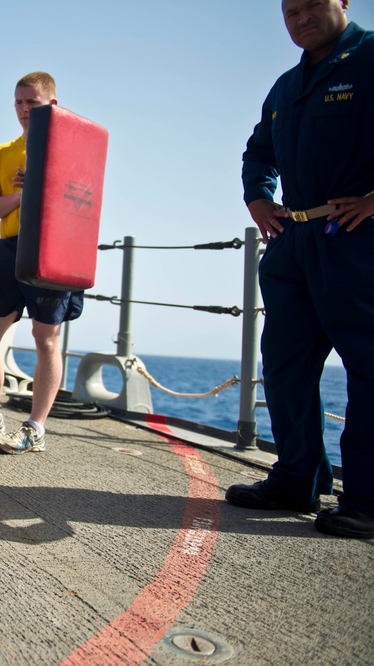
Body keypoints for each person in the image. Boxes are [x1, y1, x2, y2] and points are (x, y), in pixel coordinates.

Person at [225, 0, 374, 539]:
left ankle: (367, 501)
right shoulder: (286, 88)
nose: (301, 17)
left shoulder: (369, 58)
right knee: (284, 364)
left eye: (313, 5)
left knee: (368, 366)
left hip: (356, 240)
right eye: (290, 11)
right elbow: (258, 152)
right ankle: (297, 478)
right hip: (293, 240)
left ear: (343, 3)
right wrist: (258, 200)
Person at [0, 72, 84, 454]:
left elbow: (83, 205)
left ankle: (36, 428)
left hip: (51, 248)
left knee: (46, 339)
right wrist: (21, 196)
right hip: (8, 249)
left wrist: (46, 184)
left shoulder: (72, 149)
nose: (24, 110)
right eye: (19, 102)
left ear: (52, 105)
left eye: (33, 103)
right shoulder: (1, 152)